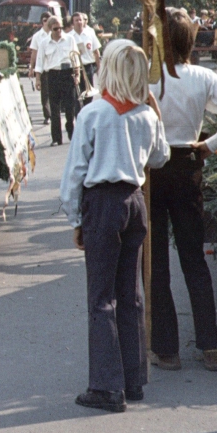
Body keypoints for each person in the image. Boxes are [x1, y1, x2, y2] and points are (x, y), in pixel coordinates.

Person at [60, 43, 170, 413]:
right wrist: (155, 114)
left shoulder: (93, 114)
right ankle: (133, 378)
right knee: (131, 294)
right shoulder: (146, 117)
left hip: (103, 204)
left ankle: (107, 387)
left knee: (101, 298)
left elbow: (76, 172)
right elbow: (161, 157)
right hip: (134, 203)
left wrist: (75, 218)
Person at [148, 8, 217, 373]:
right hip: (187, 166)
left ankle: (166, 350)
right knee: (193, 258)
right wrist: (211, 144)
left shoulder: (149, 80)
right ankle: (210, 346)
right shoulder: (201, 77)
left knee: (158, 262)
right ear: (191, 42)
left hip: (153, 170)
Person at [34, 16, 79, 146]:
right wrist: (38, 79)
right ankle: (56, 138)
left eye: (60, 28)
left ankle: (71, 132)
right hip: (52, 75)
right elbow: (40, 62)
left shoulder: (70, 39)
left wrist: (77, 75)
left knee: (70, 107)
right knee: (54, 109)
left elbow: (75, 57)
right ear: (50, 29)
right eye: (55, 29)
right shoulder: (44, 43)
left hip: (67, 74)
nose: (59, 31)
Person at [28, 11, 54, 124]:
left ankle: (55, 113)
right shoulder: (37, 36)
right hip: (43, 68)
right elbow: (34, 53)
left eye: (49, 20)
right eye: (45, 20)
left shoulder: (56, 33)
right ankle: (47, 115)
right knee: (45, 94)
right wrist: (31, 68)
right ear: (41, 22)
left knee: (55, 93)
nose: (47, 22)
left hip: (55, 67)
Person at [71, 12, 102, 85]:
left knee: (89, 94)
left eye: (80, 20)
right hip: (74, 68)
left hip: (88, 66)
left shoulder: (90, 34)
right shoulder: (69, 36)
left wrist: (99, 67)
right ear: (73, 23)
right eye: (76, 20)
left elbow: (96, 52)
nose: (79, 22)